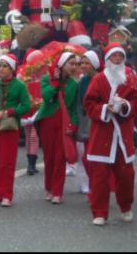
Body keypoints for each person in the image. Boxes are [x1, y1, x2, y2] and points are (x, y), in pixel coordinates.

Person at [83, 43, 137, 226]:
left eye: (120, 57)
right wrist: (104, 108)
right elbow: (89, 104)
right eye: (114, 57)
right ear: (107, 60)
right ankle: (99, 212)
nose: (117, 60)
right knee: (99, 176)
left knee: (126, 174)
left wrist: (125, 106)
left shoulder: (129, 80)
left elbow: (135, 103)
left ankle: (125, 206)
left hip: (122, 135)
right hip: (102, 134)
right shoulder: (99, 80)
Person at [0, 53, 31, 207]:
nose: (1, 69)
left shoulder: (20, 86)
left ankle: (6, 194)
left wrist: (9, 112)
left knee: (7, 162)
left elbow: (26, 106)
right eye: (0, 65)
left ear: (12, 69)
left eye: (5, 66)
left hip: (10, 126)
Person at [34, 51, 79, 204]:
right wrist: (55, 82)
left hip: (63, 123)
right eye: (70, 63)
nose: (73, 67)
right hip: (48, 120)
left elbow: (73, 108)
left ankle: (57, 191)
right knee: (49, 157)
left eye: (75, 64)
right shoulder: (47, 79)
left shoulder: (73, 84)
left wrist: (72, 125)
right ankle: (48, 187)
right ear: (61, 64)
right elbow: (46, 96)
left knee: (60, 158)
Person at [75, 50, 102, 195]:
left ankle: (97, 188)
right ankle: (94, 186)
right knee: (87, 158)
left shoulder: (101, 79)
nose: (83, 66)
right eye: (82, 63)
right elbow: (79, 103)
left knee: (94, 158)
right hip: (86, 123)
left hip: (98, 123)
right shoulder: (82, 81)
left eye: (87, 63)